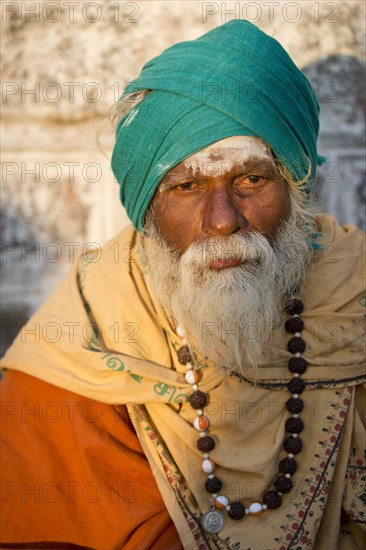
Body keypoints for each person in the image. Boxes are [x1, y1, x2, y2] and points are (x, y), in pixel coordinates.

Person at [1, 19, 365, 550]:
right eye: (187, 185)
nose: (222, 220)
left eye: (251, 179)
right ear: (147, 206)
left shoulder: (353, 291)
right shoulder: (79, 345)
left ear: (294, 186)